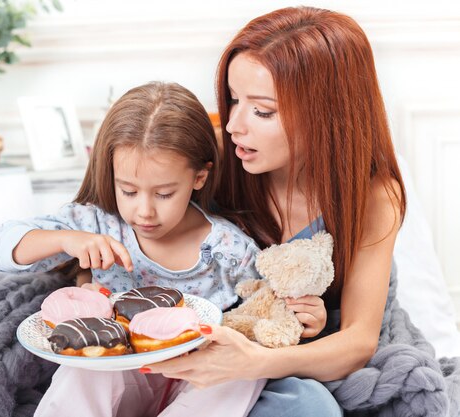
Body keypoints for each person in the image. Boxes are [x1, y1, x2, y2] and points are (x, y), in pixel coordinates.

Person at [0, 82, 325, 416]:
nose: (144, 211)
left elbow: (267, 308)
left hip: (198, 382)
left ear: (199, 178)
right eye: (129, 191)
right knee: (85, 369)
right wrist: (65, 240)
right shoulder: (96, 224)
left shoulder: (227, 247)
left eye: (163, 194)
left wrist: (305, 317)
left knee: (243, 372)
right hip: (120, 375)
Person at [144, 6, 407, 417]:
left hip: (276, 359)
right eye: (232, 100)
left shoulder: (374, 196)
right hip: (190, 337)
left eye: (263, 111)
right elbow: (103, 223)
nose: (234, 125)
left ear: (329, 114)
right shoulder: (214, 155)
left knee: (310, 407)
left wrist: (253, 361)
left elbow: (358, 341)